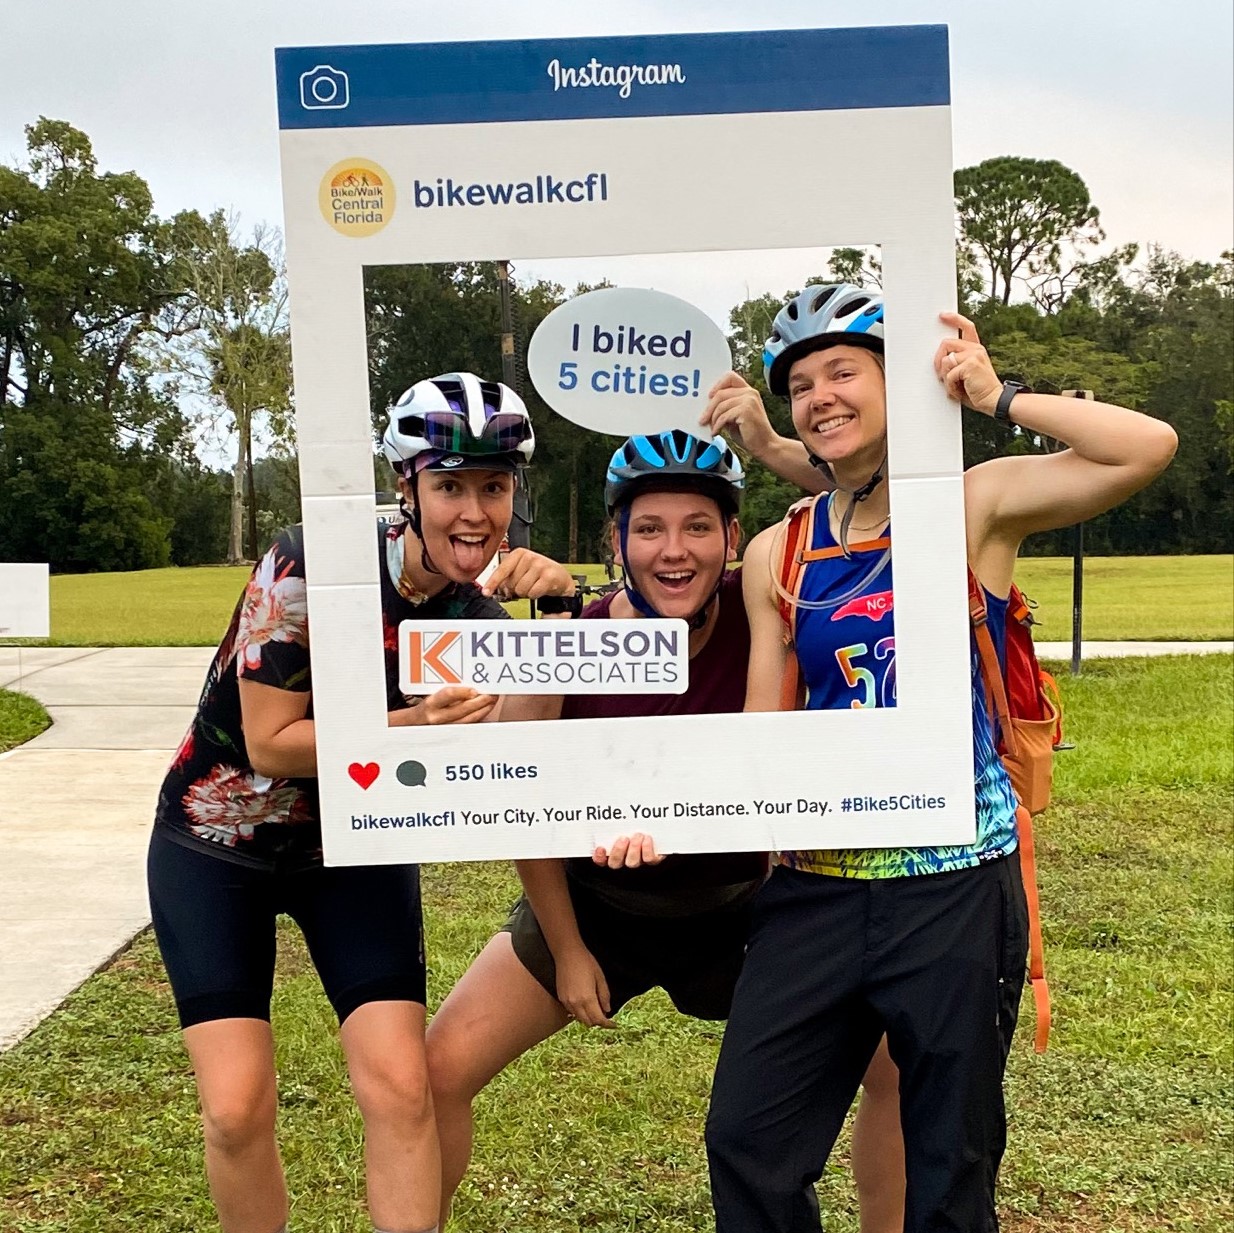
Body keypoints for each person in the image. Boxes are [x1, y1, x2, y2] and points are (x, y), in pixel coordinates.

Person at [703, 284, 1178, 1232]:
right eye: (800, 383)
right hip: (817, 885)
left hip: (954, 881)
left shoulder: (975, 506)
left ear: (894, 380)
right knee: (747, 1141)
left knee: (950, 1165)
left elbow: (1146, 446)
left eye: (844, 371)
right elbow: (764, 729)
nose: (820, 395)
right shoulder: (775, 553)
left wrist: (996, 396)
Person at [425, 429, 906, 1233]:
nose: (673, 551)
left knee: (895, 1058)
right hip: (600, 904)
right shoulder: (571, 633)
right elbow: (519, 795)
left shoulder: (767, 629)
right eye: (649, 528)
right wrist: (570, 950)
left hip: (744, 904)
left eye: (697, 527)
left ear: (731, 541)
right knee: (439, 1065)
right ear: (617, 542)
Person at [147, 371, 574, 1233]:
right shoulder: (310, 561)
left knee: (402, 1085)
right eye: (450, 484)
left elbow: (532, 758)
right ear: (407, 488)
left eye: (493, 486)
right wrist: (413, 722)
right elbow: (272, 739)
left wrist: (558, 619)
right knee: (235, 1106)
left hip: (354, 848)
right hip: (215, 838)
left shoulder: (475, 619)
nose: (474, 512)